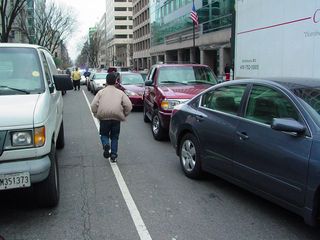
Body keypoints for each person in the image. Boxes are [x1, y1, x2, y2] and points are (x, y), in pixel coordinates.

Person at [90, 72, 133, 162]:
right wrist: (124, 114)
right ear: (115, 82)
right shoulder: (120, 93)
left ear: (106, 81)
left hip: (104, 118)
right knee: (114, 137)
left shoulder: (101, 92)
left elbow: (93, 105)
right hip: (116, 118)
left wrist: (96, 114)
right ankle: (113, 155)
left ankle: (106, 144)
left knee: (104, 134)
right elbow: (128, 105)